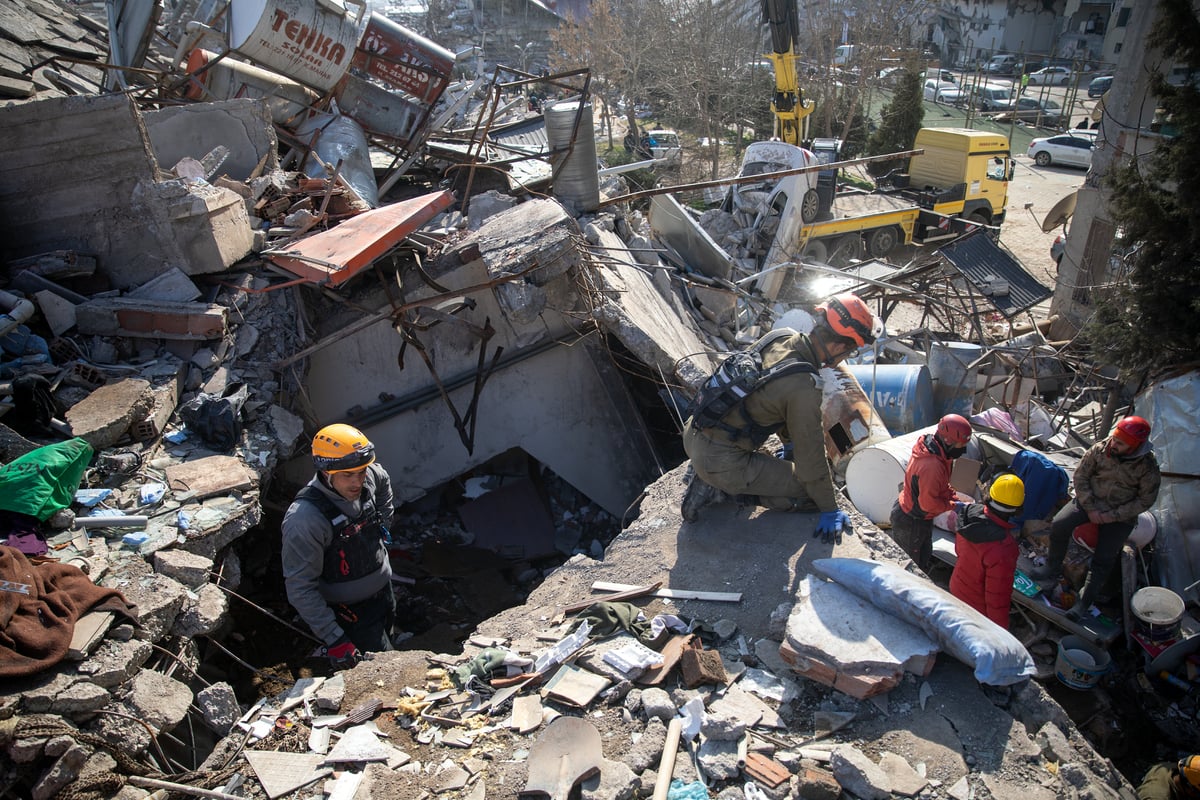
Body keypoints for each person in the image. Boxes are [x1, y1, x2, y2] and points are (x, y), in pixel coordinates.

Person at [680, 293, 883, 537]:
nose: (844, 358)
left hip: (694, 433)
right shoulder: (804, 386)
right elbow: (812, 462)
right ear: (839, 346)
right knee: (810, 492)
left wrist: (789, 446)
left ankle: (707, 473)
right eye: (847, 353)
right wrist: (830, 507)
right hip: (720, 462)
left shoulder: (780, 336)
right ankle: (720, 490)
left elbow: (764, 394)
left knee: (792, 471)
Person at [282, 423, 396, 669]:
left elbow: (382, 481)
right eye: (348, 475)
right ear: (326, 472)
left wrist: (384, 522)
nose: (358, 482)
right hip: (350, 614)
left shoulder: (371, 479)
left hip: (384, 595)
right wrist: (335, 638)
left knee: (390, 647)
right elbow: (300, 587)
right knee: (383, 670)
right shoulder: (305, 519)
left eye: (361, 471)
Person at [1031, 415, 1161, 620]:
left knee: (1103, 559)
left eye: (1120, 443)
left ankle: (1084, 602)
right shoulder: (1100, 449)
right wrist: (1091, 508)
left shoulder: (1147, 467)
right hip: (1089, 502)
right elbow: (1081, 476)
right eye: (1114, 439)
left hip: (1120, 515)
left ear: (1134, 446)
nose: (1114, 444)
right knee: (1059, 525)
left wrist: (1112, 516)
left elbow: (1145, 501)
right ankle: (1052, 566)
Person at [888, 413, 973, 571]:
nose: (963, 450)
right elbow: (928, 504)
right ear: (948, 441)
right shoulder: (932, 466)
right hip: (911, 521)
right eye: (961, 446)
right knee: (911, 568)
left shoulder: (938, 451)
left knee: (924, 554)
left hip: (918, 516)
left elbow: (940, 485)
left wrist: (951, 495)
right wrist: (953, 506)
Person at [949, 474, 1025, 629]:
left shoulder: (968, 514)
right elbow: (997, 596)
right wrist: (1000, 631)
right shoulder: (1004, 547)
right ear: (1017, 509)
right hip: (977, 611)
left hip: (956, 588)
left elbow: (959, 551)